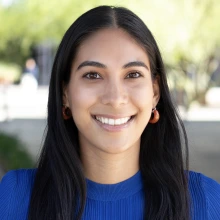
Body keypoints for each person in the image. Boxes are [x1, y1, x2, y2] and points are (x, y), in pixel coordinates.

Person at [0, 6, 220, 220]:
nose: (115, 99)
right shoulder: (15, 197)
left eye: (133, 74)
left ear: (155, 92)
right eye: (93, 75)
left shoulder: (206, 200)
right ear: (65, 93)